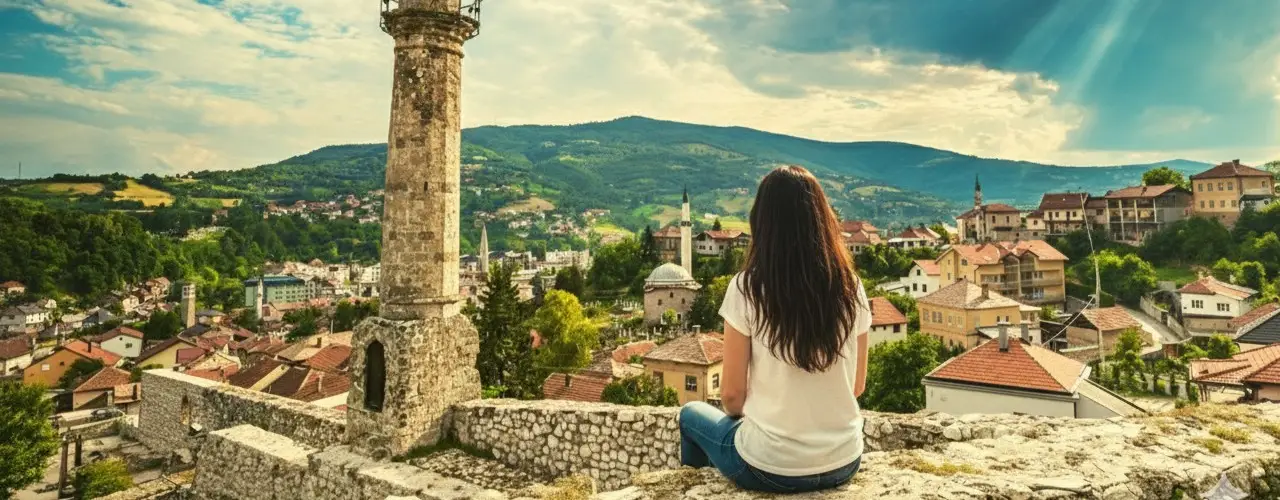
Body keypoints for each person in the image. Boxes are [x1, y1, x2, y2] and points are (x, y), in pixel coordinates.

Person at [678, 165, 870, 493]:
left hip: (769, 467)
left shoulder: (747, 288)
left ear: (763, 223)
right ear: (821, 220)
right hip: (844, 461)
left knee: (689, 414)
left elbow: (732, 397)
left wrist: (767, 413)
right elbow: (856, 386)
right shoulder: (851, 287)